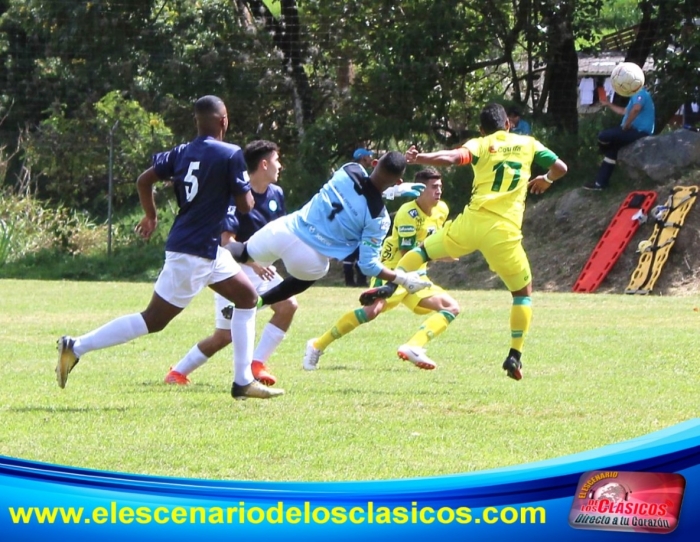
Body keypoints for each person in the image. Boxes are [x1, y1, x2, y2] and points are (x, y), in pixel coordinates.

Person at [55, 95, 283, 401]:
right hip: (193, 251)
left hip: (206, 248)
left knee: (247, 297)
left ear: (197, 122)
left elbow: (143, 180)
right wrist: (243, 193)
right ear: (223, 121)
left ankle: (242, 381)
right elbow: (244, 205)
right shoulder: (231, 154)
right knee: (153, 320)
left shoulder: (181, 152)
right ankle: (75, 346)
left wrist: (151, 216)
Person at [360, 103, 568, 381]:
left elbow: (452, 158)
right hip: (504, 232)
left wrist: (420, 157)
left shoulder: (481, 144)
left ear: (482, 130)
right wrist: (546, 179)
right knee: (522, 294)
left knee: (421, 253)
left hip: (472, 222)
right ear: (508, 124)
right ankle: (514, 355)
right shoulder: (528, 143)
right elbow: (560, 167)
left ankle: (388, 286)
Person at [227, 151, 433, 328]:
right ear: (398, 180)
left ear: (375, 163)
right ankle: (260, 302)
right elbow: (367, 265)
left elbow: (364, 187)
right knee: (307, 276)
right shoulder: (379, 218)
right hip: (308, 259)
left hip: (284, 231)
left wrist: (391, 191)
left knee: (242, 252)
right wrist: (402, 278)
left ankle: (207, 253)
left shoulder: (349, 170)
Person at [164, 139, 296, 387]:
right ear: (264, 163)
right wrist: (255, 262)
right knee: (225, 336)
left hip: (263, 271)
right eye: (278, 160)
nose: (281, 166)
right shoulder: (237, 195)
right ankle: (178, 372)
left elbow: (281, 232)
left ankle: (257, 364)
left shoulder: (276, 194)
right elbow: (227, 242)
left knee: (288, 305)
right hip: (234, 270)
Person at [304, 167, 459, 371]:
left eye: (440, 186)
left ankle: (413, 346)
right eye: (433, 187)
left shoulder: (442, 210)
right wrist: (440, 254)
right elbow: (407, 253)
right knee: (371, 311)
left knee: (451, 307)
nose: (438, 191)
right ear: (421, 189)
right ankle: (317, 345)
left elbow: (431, 246)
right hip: (393, 269)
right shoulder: (407, 213)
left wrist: (454, 250)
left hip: (416, 274)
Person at [584, 80, 655, 191]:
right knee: (611, 152)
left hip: (638, 131)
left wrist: (627, 124)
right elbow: (623, 111)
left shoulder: (640, 93)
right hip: (632, 130)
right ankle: (600, 184)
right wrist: (608, 103)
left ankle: (601, 150)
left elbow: (636, 109)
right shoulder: (635, 96)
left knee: (604, 136)